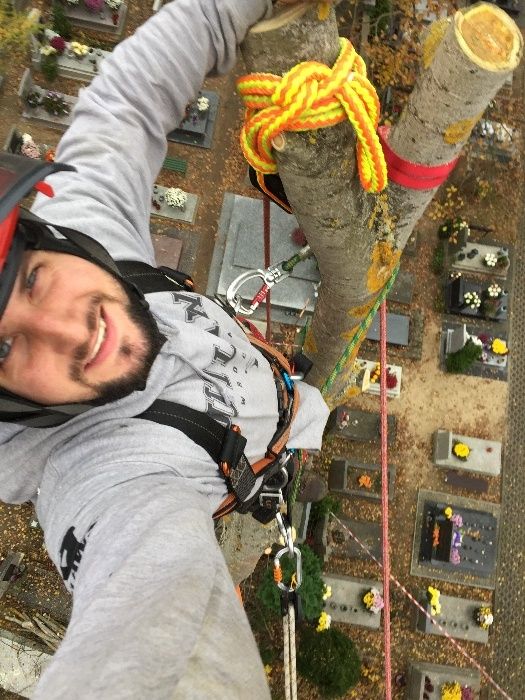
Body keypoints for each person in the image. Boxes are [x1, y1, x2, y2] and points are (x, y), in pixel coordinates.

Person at [0, 0, 330, 697]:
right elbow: (151, 611)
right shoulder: (95, 474)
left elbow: (129, 95)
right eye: (3, 350)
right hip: (257, 455)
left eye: (32, 279)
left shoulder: (82, 222)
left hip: (273, 395)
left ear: (49, 240)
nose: (71, 330)